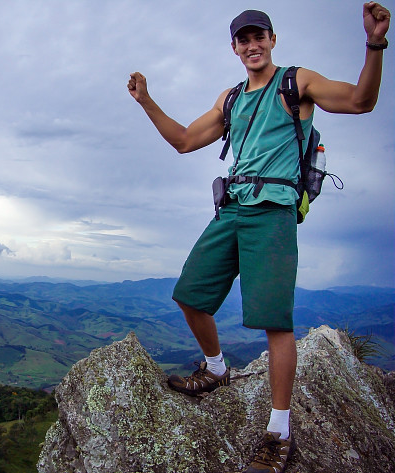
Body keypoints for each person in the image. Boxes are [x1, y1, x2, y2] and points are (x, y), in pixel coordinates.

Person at [126, 3, 389, 473]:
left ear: (273, 39)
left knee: (275, 323)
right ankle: (218, 368)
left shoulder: (297, 82)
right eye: (243, 40)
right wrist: (147, 100)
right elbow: (185, 140)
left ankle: (278, 430)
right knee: (190, 294)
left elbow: (359, 101)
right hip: (231, 209)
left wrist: (374, 44)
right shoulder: (231, 98)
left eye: (259, 36)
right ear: (234, 47)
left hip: (273, 215)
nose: (252, 45)